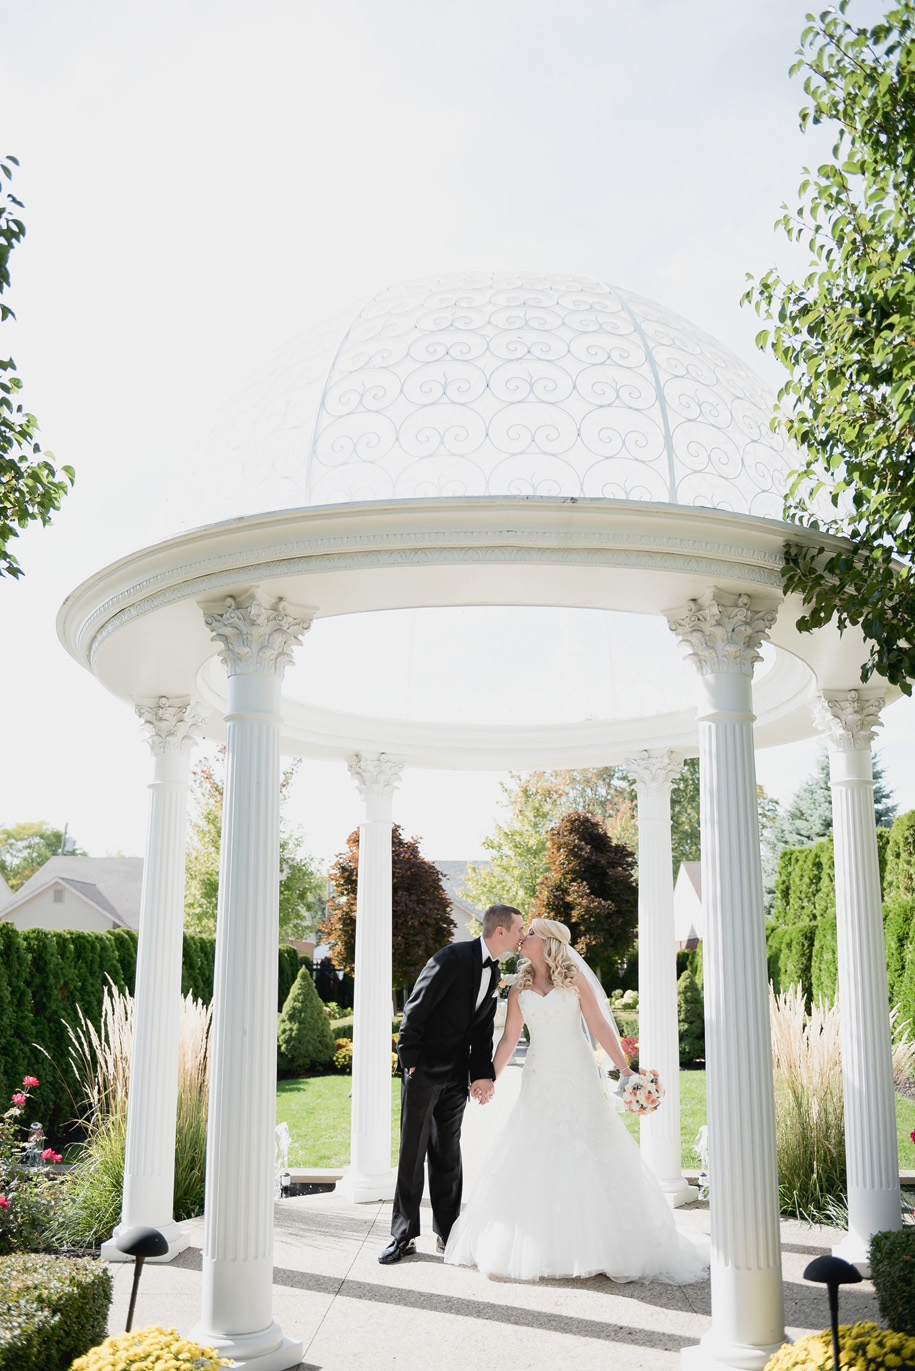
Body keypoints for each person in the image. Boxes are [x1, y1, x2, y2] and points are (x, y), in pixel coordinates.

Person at [444, 918, 709, 1283]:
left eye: (531, 933)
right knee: (537, 1149)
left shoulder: (573, 979)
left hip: (577, 1073)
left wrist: (626, 1071)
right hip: (539, 1076)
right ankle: (549, 1246)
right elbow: (508, 1040)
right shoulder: (518, 988)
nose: (524, 937)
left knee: (589, 1146)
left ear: (549, 941)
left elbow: (599, 1026)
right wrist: (488, 1079)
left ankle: (605, 1245)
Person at [378, 903, 526, 1264]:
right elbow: (416, 1009)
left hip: (456, 1077)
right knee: (412, 1152)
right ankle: (403, 1235)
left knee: (448, 1152)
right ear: (501, 931)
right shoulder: (451, 957)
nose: (523, 935)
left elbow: (481, 1029)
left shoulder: (495, 973)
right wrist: (410, 1063)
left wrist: (481, 1075)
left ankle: (448, 1232)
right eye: (520, 929)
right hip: (424, 1071)